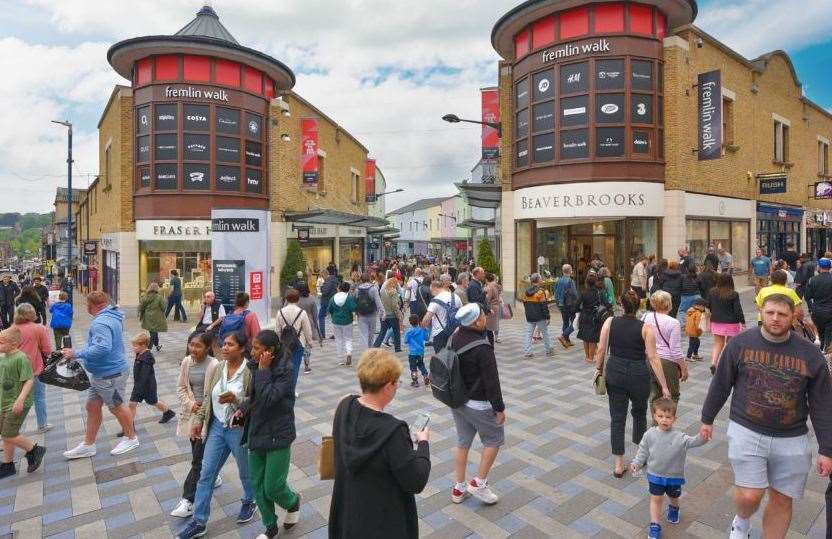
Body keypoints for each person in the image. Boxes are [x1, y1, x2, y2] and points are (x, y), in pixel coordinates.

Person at [699, 294, 832, 539]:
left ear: (793, 316)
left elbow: (822, 403)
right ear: (761, 312)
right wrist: (707, 418)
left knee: (782, 500)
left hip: (792, 437)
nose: (775, 318)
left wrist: (827, 448)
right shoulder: (740, 343)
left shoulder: (810, 355)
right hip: (747, 429)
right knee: (749, 496)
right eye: (770, 312)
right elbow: (720, 384)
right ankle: (742, 521)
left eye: (782, 314)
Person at [328, 349, 431, 538]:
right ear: (387, 387)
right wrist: (423, 444)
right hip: (383, 522)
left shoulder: (344, 405)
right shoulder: (393, 431)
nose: (397, 386)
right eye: (396, 383)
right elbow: (415, 481)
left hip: (348, 515)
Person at [176, 332, 257, 539]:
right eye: (224, 344)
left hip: (238, 429)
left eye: (230, 345)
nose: (225, 347)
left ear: (241, 348)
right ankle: (199, 521)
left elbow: (254, 401)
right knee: (206, 473)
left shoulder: (249, 370)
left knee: (245, 472)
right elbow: (207, 397)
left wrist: (237, 399)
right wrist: (200, 421)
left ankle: (250, 500)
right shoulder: (219, 367)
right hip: (217, 429)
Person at [595, 290, 670, 478]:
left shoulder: (610, 322)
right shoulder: (646, 328)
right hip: (639, 374)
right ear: (639, 306)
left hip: (615, 371)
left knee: (617, 417)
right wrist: (664, 386)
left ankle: (618, 465)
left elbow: (602, 348)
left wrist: (598, 369)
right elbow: (653, 358)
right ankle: (639, 456)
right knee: (639, 413)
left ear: (620, 303)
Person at [62, 291, 139, 459]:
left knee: (116, 406)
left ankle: (131, 438)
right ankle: (88, 445)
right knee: (92, 406)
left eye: (87, 305)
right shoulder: (114, 315)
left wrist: (76, 353)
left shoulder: (101, 323)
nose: (86, 308)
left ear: (93, 305)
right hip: (103, 373)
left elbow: (102, 348)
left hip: (109, 374)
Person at [243, 330, 302, 539]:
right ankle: (270, 526)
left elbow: (269, 398)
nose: (252, 351)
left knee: (273, 486)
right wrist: (242, 409)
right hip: (257, 431)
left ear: (270, 351)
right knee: (258, 485)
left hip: (279, 433)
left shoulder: (285, 370)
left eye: (257, 348)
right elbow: (255, 398)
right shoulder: (255, 366)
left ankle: (293, 501)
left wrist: (264, 370)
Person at [447, 303, 506, 506]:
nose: (485, 317)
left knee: (463, 442)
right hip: (478, 403)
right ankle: (479, 483)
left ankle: (459, 487)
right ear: (476, 321)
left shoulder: (454, 336)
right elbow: (492, 382)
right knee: (495, 439)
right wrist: (499, 408)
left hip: (457, 400)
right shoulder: (482, 347)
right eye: (482, 315)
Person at [630, 398, 707, 539]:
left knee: (674, 496)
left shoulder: (680, 437)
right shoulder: (649, 435)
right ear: (654, 416)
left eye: (668, 417)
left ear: (674, 418)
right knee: (656, 499)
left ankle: (674, 508)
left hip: (674, 478)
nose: (664, 420)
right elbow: (643, 451)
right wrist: (637, 463)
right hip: (655, 475)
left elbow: (694, 441)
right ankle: (654, 525)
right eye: (660, 416)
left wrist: (704, 436)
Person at [170, 332, 219, 519]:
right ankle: (213, 473)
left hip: (208, 417)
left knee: (197, 460)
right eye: (191, 344)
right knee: (197, 454)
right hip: (192, 415)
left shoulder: (214, 365)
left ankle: (187, 500)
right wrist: (191, 404)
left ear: (207, 347)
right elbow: (181, 387)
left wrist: (203, 408)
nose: (193, 349)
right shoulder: (186, 362)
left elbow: (215, 393)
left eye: (198, 346)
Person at [0, 327, 46, 479]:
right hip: (4, 402)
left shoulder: (21, 358)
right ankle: (8, 465)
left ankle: (34, 450)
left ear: (13, 344)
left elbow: (29, 380)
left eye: (1, 342)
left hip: (18, 403)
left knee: (8, 433)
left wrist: (20, 400)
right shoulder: (3, 357)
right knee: (6, 433)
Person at [124, 332, 175, 433]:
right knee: (132, 404)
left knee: (153, 401)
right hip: (139, 385)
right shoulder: (140, 353)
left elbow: (144, 375)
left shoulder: (147, 357)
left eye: (135, 346)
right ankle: (129, 427)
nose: (133, 348)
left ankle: (168, 412)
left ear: (143, 346)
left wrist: (138, 388)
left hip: (147, 386)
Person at [641, 291, 687, 403]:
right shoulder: (673, 323)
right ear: (668, 304)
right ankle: (667, 419)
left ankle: (657, 420)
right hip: (667, 361)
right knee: (672, 395)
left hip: (649, 358)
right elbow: (675, 351)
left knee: (654, 394)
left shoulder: (645, 316)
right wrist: (683, 367)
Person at [13, 303, 52, 432]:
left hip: (15, 371)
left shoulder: (12, 329)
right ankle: (42, 425)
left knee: (16, 400)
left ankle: (12, 428)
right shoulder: (38, 328)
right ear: (30, 314)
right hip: (34, 369)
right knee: (39, 397)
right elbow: (47, 350)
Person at [705, 272, 745, 375]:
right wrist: (743, 321)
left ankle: (713, 363)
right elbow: (738, 310)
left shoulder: (712, 292)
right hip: (732, 323)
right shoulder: (733, 294)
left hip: (717, 321)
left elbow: (708, 306)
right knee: (730, 344)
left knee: (718, 343)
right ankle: (725, 364)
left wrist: (708, 320)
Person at [275, 288, 315, 390]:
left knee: (284, 366)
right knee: (295, 367)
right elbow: (307, 330)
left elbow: (277, 330)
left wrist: (279, 342)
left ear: (287, 299)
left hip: (284, 343)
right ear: (298, 299)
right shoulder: (302, 313)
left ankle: (283, 387)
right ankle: (291, 389)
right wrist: (310, 342)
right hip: (298, 343)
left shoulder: (280, 312)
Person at [577, 274, 612, 363]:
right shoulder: (599, 292)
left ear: (587, 283)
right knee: (592, 337)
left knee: (585, 336)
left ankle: (587, 356)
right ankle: (591, 358)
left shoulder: (583, 293)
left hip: (584, 316)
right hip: (595, 317)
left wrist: (582, 309)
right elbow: (607, 304)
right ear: (595, 282)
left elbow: (575, 306)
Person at [421, 274, 457, 353]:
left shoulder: (435, 300)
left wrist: (422, 328)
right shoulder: (455, 296)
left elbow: (426, 319)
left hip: (440, 332)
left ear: (435, 288)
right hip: (455, 331)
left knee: (441, 358)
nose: (431, 293)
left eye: (431, 291)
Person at [522, 273, 554, 357]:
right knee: (545, 333)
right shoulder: (540, 292)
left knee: (529, 334)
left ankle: (528, 352)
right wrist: (547, 317)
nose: (541, 280)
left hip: (530, 316)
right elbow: (544, 305)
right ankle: (548, 350)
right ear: (538, 280)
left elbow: (524, 303)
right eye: (540, 278)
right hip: (540, 316)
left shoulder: (526, 292)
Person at [804, 257, 832, 350]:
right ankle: (826, 349)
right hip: (830, 311)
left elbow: (807, 297)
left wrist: (811, 309)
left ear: (819, 267)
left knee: (819, 333)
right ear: (830, 267)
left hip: (817, 310)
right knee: (829, 333)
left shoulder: (812, 280)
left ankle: (821, 349)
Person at [328, 281, 357, 366]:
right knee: (348, 339)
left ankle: (340, 359)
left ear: (339, 288)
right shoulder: (349, 297)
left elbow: (329, 310)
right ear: (348, 289)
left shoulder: (333, 297)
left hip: (336, 321)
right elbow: (353, 308)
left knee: (338, 339)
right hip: (347, 321)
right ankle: (348, 353)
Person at [373, 277, 403, 352]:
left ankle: (376, 345)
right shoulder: (394, 292)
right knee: (396, 331)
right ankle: (397, 348)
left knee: (382, 332)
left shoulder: (382, 291)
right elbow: (394, 305)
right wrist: (399, 314)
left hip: (384, 314)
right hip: (392, 315)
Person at [296, 284, 321, 374]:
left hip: (296, 324)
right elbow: (315, 315)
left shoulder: (296, 300)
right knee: (307, 345)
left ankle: (296, 362)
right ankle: (306, 365)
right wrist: (316, 326)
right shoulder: (311, 300)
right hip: (308, 323)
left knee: (297, 343)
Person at [355, 273, 383, 348]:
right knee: (371, 334)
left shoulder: (357, 289)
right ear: (370, 279)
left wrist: (355, 313)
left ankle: (365, 352)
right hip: (372, 314)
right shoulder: (373, 288)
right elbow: (378, 301)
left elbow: (356, 301)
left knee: (364, 335)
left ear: (361, 280)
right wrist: (382, 311)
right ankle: (370, 350)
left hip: (361, 315)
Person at [554, 264, 578, 349]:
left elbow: (555, 293)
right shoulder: (570, 281)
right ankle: (564, 336)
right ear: (570, 271)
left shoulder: (558, 280)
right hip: (570, 305)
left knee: (565, 322)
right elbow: (574, 294)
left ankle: (566, 340)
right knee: (575, 322)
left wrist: (558, 303)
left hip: (561, 305)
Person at [139, 282, 167, 352]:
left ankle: (157, 346)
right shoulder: (159, 297)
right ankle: (149, 348)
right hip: (157, 318)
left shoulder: (145, 297)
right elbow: (163, 308)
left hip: (147, 317)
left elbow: (141, 307)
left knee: (153, 332)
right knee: (153, 333)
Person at [404, 314, 429, 387]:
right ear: (418, 321)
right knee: (421, 364)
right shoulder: (422, 329)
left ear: (410, 322)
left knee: (413, 367)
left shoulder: (409, 331)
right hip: (421, 352)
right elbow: (427, 338)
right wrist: (425, 330)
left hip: (412, 353)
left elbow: (405, 341)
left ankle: (415, 382)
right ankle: (425, 376)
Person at [318, 266, 339, 340]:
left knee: (321, 316)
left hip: (326, 301)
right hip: (333, 300)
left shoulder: (328, 280)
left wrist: (321, 287)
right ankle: (336, 334)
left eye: (322, 276)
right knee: (334, 317)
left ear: (325, 274)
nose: (322, 278)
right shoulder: (334, 279)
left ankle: (322, 334)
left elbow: (325, 291)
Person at [677, 264, 700, 329]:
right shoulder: (697, 277)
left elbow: (680, 285)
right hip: (696, 296)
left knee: (682, 311)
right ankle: (694, 324)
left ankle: (683, 324)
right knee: (695, 310)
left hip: (685, 296)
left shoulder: (683, 277)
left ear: (687, 270)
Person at [484, 273, 502, 343]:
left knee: (489, 326)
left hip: (491, 307)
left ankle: (489, 341)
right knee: (496, 323)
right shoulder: (497, 286)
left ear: (486, 280)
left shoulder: (489, 287)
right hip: (497, 306)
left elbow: (488, 298)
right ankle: (496, 338)